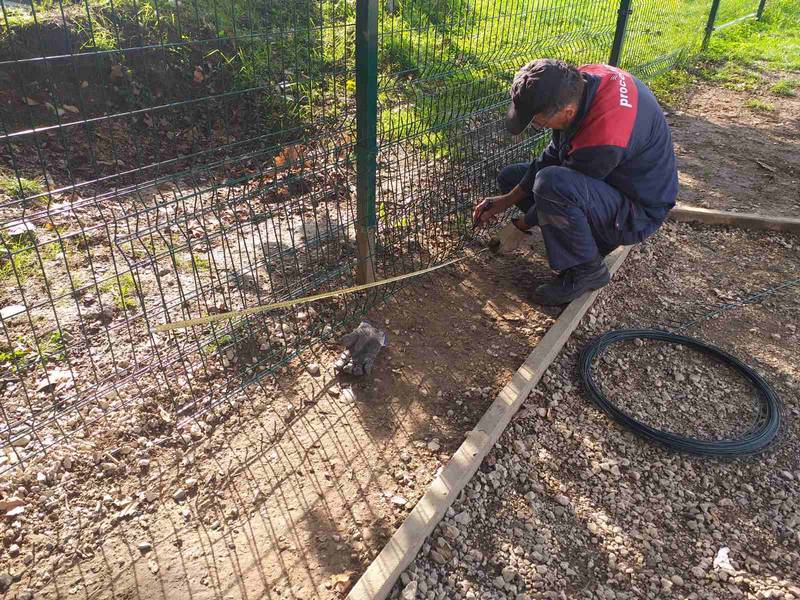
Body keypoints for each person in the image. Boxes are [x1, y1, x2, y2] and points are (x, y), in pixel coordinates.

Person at [473, 59, 678, 305]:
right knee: (511, 178)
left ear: (567, 112)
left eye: (539, 122)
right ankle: (585, 238)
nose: (537, 126)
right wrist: (505, 201)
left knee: (551, 184)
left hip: (636, 213)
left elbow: (557, 187)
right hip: (612, 183)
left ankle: (587, 269)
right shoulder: (578, 82)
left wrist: (519, 225)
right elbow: (554, 154)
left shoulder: (605, 136)